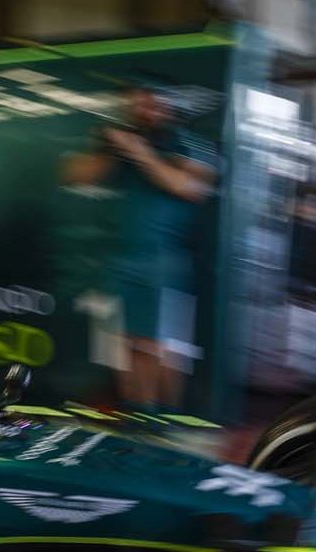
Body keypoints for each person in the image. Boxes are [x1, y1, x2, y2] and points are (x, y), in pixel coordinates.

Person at [66, 82, 218, 409]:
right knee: (125, 343)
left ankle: (167, 418)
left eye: (152, 105)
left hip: (165, 262)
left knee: (161, 346)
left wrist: (141, 153)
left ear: (169, 108)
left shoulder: (189, 145)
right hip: (121, 261)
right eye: (137, 105)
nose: (143, 112)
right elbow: (75, 174)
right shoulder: (118, 146)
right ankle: (138, 415)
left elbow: (190, 187)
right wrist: (112, 149)